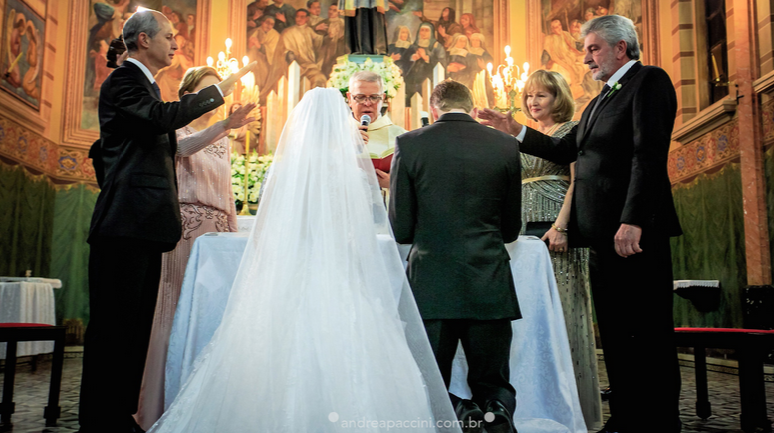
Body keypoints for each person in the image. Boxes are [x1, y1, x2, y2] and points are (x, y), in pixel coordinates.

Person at [145, 87, 461, 433]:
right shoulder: (351, 172)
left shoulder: (286, 169)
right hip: (339, 275)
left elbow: (266, 231)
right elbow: (359, 229)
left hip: (291, 276)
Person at [479, 15, 682, 433]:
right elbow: (563, 148)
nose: (585, 58)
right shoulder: (601, 100)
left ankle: (660, 422)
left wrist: (633, 220)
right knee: (615, 329)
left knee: (647, 330)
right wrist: (514, 128)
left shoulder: (649, 81)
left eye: (592, 49)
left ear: (620, 47)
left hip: (633, 233)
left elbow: (648, 155)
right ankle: (625, 417)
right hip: (600, 236)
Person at [81, 9, 253, 433]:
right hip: (125, 223)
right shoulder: (124, 80)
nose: (176, 43)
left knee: (135, 332)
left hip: (145, 226)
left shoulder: (146, 86)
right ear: (143, 40)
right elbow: (162, 122)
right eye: (170, 36)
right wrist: (221, 90)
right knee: (114, 331)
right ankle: (100, 422)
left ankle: (120, 416)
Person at [389, 80, 522, 433]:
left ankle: (459, 410)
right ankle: (495, 415)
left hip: (432, 280)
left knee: (430, 378)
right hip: (489, 276)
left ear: (434, 108)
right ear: (472, 105)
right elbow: (511, 228)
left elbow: (400, 228)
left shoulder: (409, 144)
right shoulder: (506, 145)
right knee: (493, 380)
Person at [134, 66, 258, 430]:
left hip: (218, 234)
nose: (214, 99)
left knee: (213, 317)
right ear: (188, 95)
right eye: (208, 91)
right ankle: (159, 404)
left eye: (220, 91)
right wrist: (224, 126)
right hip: (185, 231)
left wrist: (232, 230)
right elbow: (184, 149)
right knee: (172, 314)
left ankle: (204, 403)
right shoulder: (175, 128)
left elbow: (226, 195)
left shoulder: (223, 138)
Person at [519, 69, 602, 430]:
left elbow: (577, 181)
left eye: (541, 96)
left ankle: (575, 408)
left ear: (558, 98)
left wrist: (561, 226)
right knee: (533, 315)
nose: (533, 102)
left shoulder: (571, 131)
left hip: (558, 229)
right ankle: (539, 402)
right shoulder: (525, 137)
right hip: (525, 233)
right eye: (528, 96)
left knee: (565, 314)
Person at [347, 71, 406, 190]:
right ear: (349, 98)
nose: (367, 103)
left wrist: (395, 182)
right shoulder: (336, 135)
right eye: (360, 97)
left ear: (383, 98)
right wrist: (345, 147)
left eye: (374, 97)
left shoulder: (402, 136)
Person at [282, 9, 327, 88]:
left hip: (310, 66)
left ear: (307, 18)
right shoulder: (288, 32)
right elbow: (287, 52)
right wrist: (294, 64)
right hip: (296, 67)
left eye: (302, 17)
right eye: (297, 16)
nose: (299, 19)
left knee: (320, 79)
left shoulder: (309, 30)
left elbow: (318, 44)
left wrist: (321, 32)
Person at [404, 22, 446, 103]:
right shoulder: (413, 47)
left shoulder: (437, 47)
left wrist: (426, 58)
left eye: (426, 30)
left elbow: (442, 64)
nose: (423, 33)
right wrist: (412, 58)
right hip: (412, 83)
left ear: (431, 33)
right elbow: (404, 62)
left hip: (429, 82)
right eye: (422, 30)